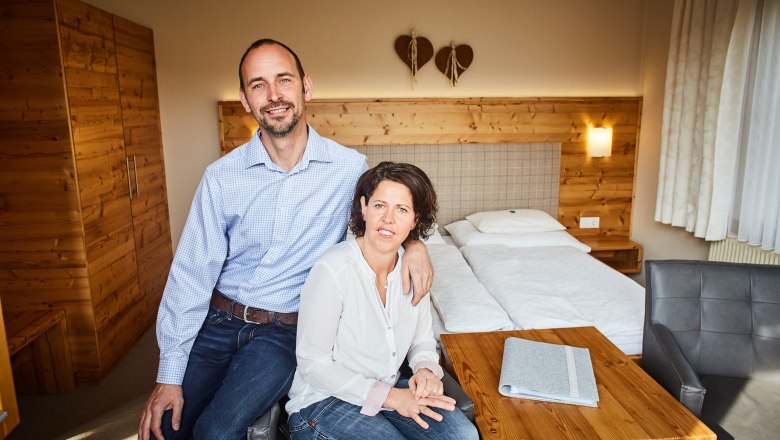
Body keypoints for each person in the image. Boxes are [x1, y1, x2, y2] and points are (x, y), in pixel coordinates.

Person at [137, 39, 433, 440]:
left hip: (284, 333)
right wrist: (168, 374)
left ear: (305, 87)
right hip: (218, 320)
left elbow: (388, 213)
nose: (274, 95)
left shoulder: (348, 169)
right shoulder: (222, 177)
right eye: (258, 85)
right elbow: (191, 273)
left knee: (216, 431)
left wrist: (414, 245)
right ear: (245, 99)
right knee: (165, 428)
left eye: (283, 80)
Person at [286, 162, 479, 440]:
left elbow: (422, 341)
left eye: (401, 209)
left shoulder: (414, 269)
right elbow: (313, 364)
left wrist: (425, 369)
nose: (388, 219)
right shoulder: (332, 271)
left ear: (415, 219)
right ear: (364, 208)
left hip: (389, 386)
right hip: (323, 402)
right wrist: (391, 397)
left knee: (463, 436)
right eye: (380, 206)